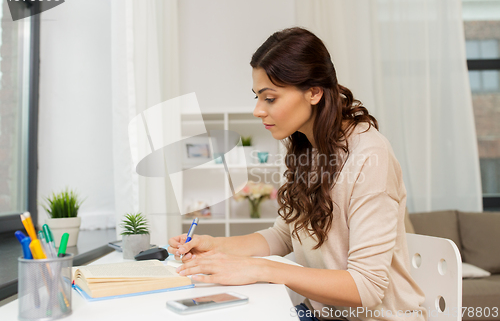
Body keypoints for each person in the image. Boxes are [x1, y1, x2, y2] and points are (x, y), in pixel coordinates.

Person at [168, 27, 427, 321]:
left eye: (269, 98)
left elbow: (366, 288)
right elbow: (284, 235)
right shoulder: (308, 148)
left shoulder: (370, 156)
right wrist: (215, 245)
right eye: (257, 97)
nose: (257, 110)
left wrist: (263, 268)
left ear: (314, 92)